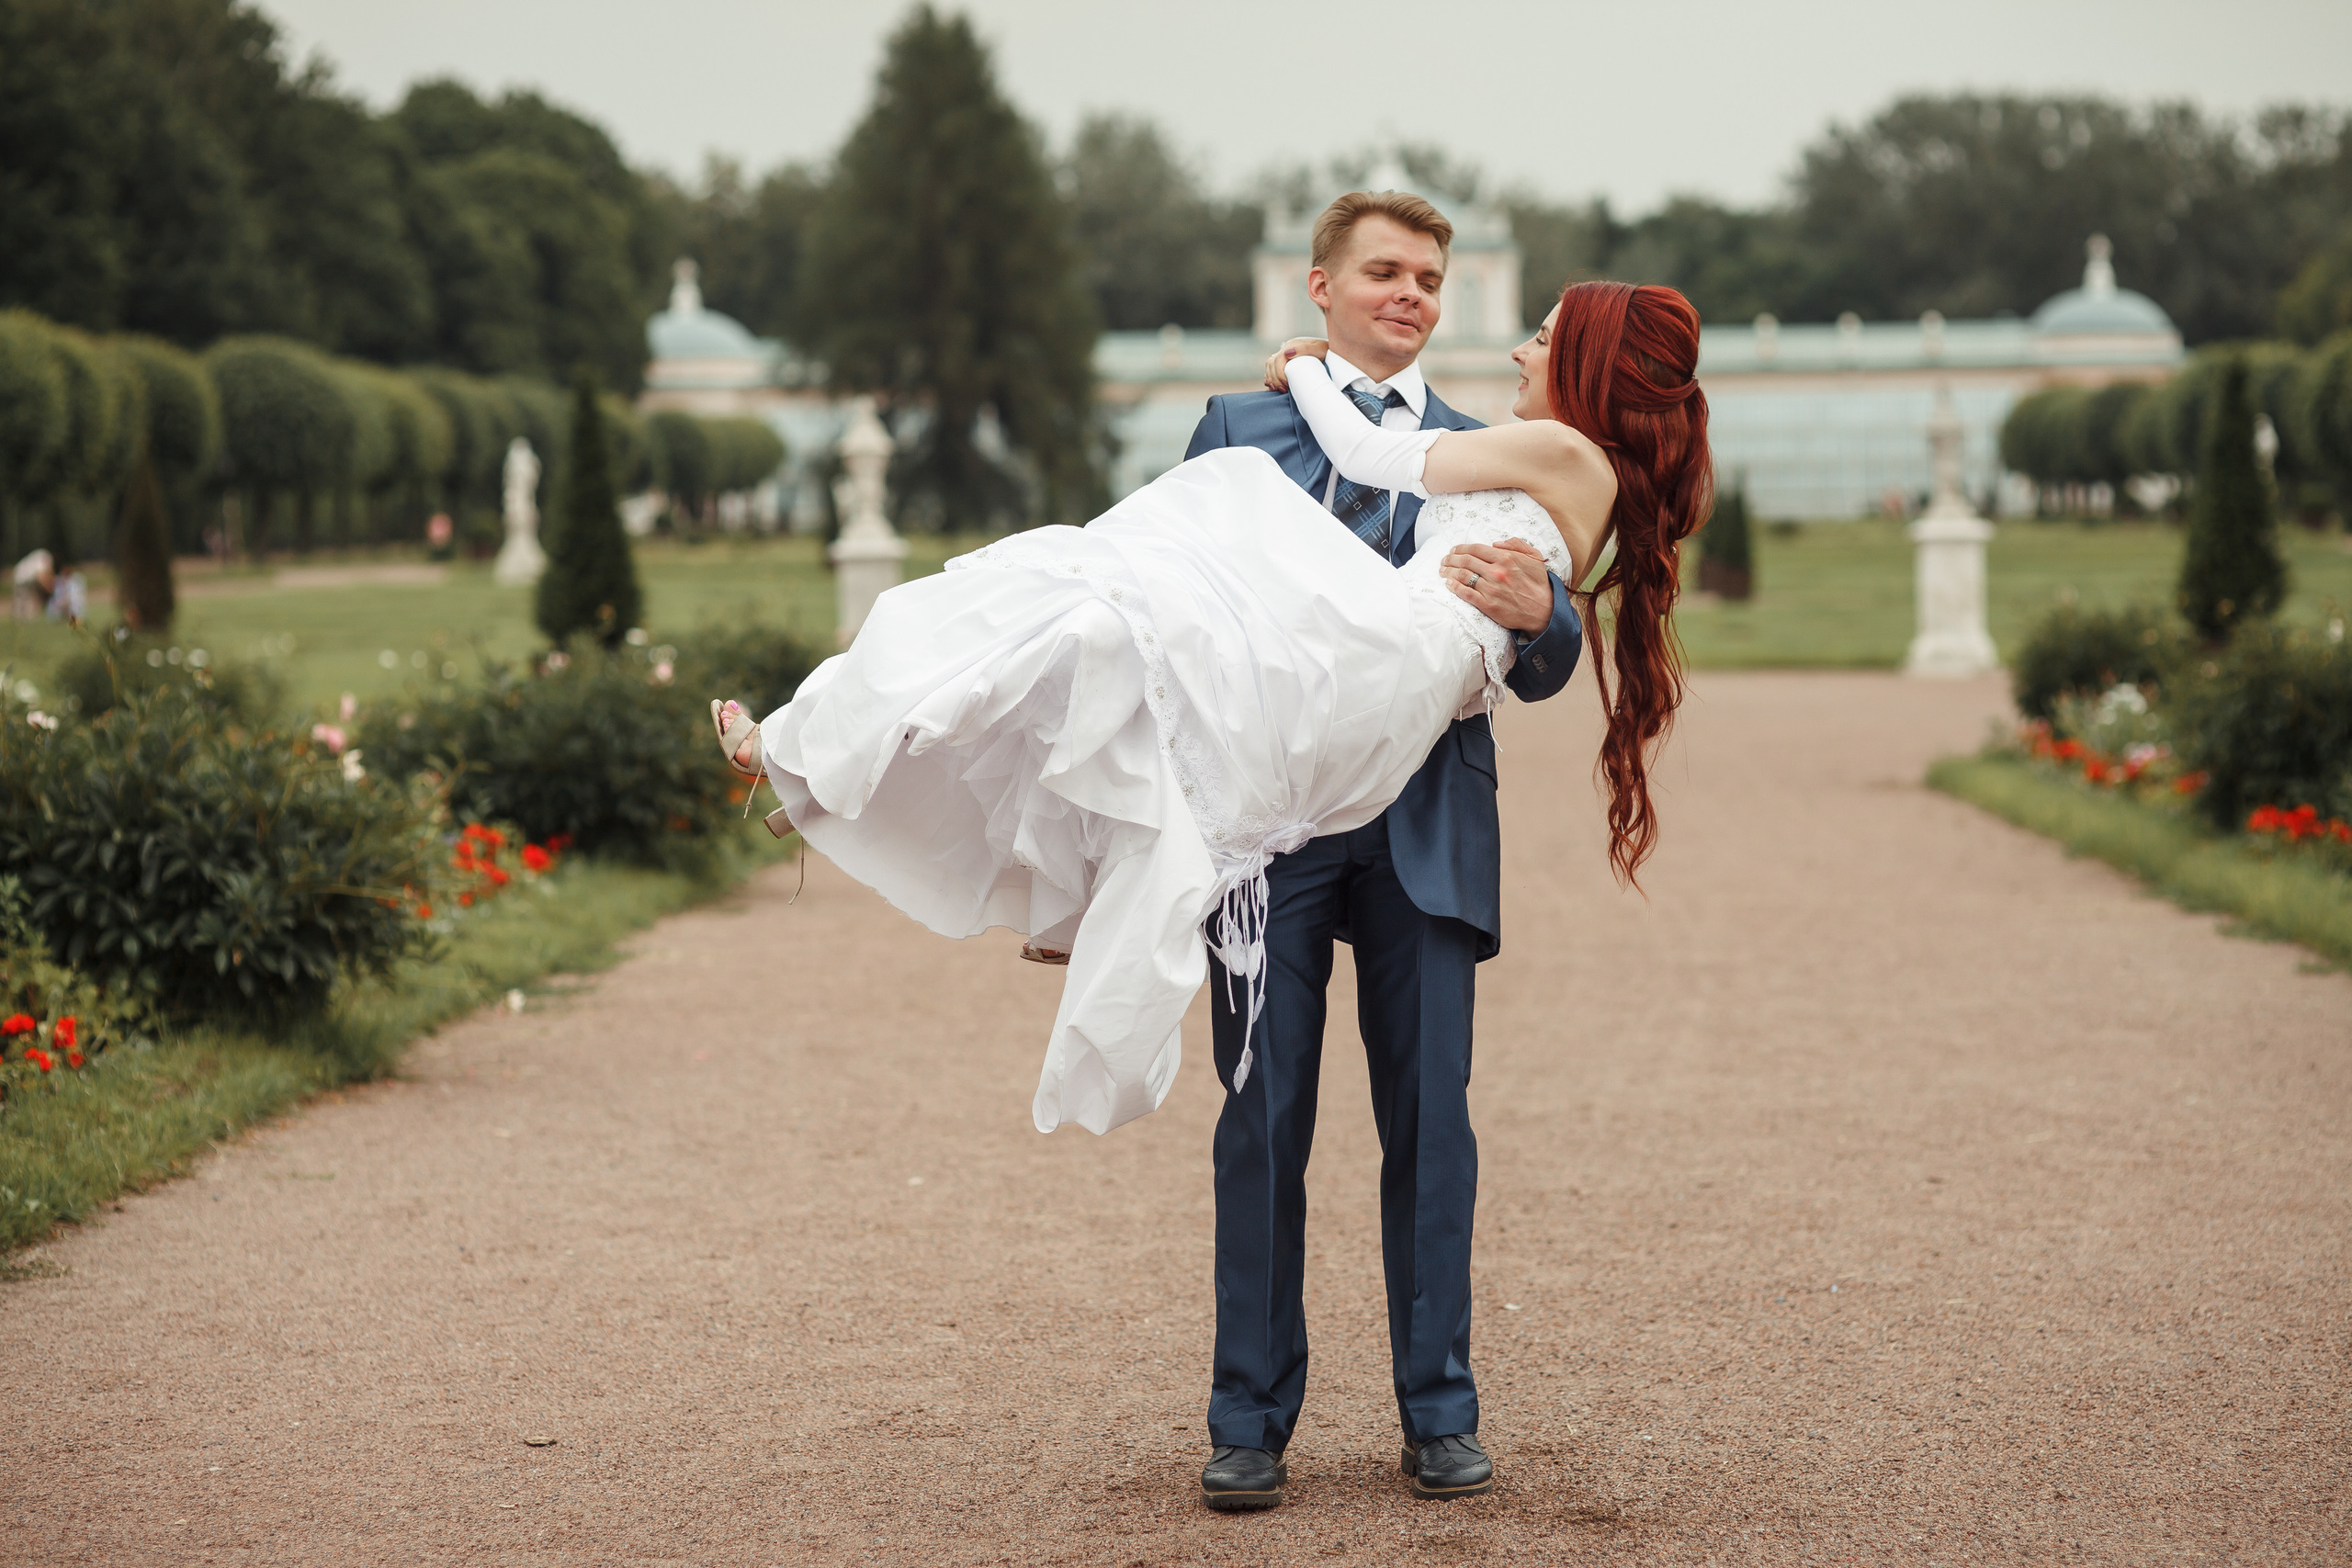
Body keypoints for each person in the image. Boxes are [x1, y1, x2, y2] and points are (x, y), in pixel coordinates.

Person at [712, 226, 1711, 1509]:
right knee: (1260, 1116)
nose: (1412, 296)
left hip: (1417, 811)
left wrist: (1542, 617)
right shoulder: (1235, 424)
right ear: (1324, 286)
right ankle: (1248, 1421)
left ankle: (1439, 1414)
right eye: (1386, 274)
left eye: (1430, 280)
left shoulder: (1497, 432)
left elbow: (1553, 635)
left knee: (1431, 1129)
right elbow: (1166, 613)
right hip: (1281, 811)